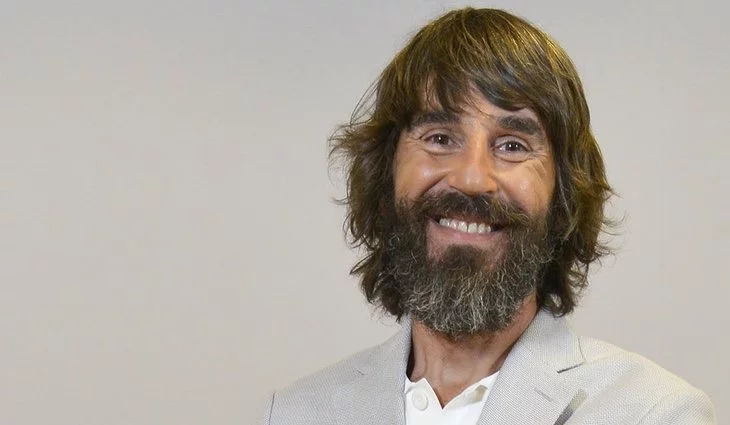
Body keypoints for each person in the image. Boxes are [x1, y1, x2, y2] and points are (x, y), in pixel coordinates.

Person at [263, 7, 716, 425]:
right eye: (440, 138)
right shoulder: (296, 413)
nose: (471, 178)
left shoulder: (654, 412)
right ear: (385, 175)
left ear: (563, 197)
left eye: (512, 146)